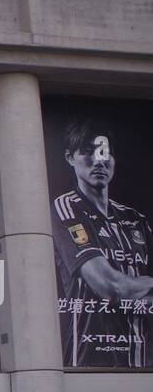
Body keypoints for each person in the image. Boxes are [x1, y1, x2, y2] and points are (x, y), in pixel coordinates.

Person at [51, 120, 152, 368]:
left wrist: (130, 290)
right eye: (87, 151)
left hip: (143, 360)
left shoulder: (135, 219)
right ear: (69, 157)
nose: (99, 160)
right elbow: (110, 287)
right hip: (91, 358)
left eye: (104, 152)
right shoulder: (65, 208)